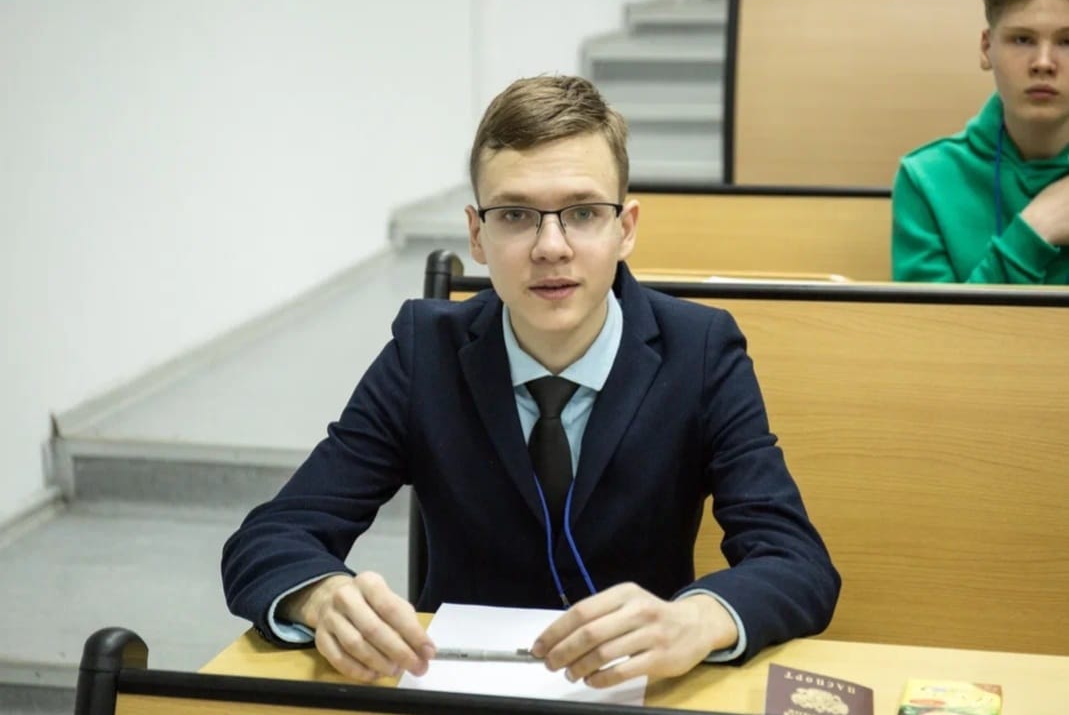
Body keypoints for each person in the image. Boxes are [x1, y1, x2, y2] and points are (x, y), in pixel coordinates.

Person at [221, 74, 839, 689]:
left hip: (640, 689)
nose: (551, 247)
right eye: (516, 215)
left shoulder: (700, 350)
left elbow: (795, 560)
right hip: (458, 690)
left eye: (583, 213)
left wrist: (697, 619)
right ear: (476, 234)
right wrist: (321, 596)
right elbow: (272, 536)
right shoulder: (424, 352)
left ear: (625, 228)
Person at [891, 0, 1069, 283]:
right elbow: (930, 315)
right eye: (1022, 40)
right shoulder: (927, 179)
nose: (1043, 63)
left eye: (1067, 42)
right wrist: (1034, 231)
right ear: (987, 48)